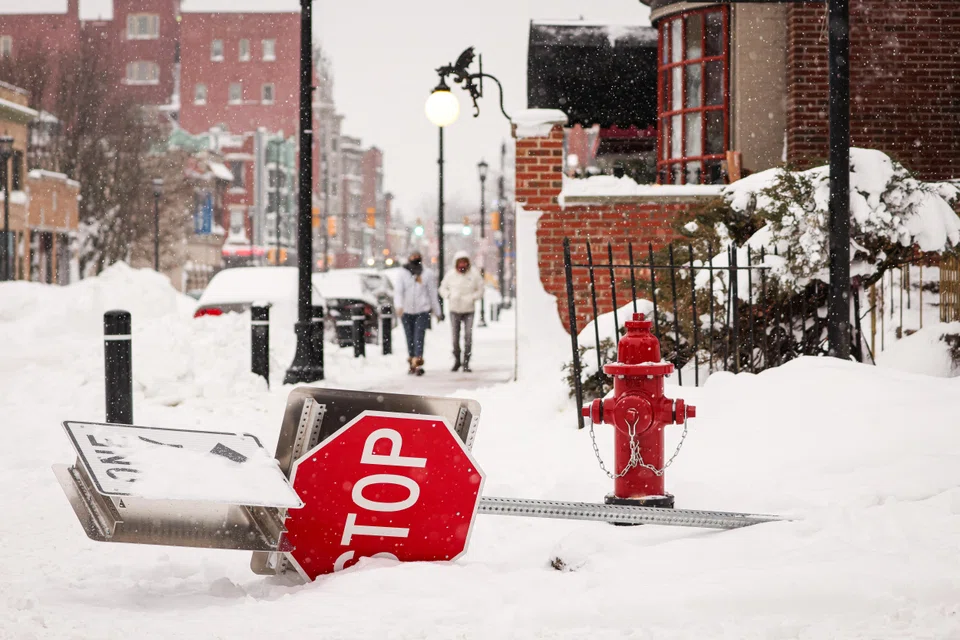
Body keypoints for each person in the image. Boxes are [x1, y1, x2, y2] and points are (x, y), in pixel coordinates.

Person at [394, 251, 441, 376]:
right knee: (409, 337)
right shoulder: (402, 273)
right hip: (406, 311)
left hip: (422, 310)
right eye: (413, 256)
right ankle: (411, 360)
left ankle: (418, 361)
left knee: (419, 336)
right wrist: (399, 306)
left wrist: (437, 311)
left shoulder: (427, 274)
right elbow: (398, 291)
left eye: (417, 257)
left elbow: (432, 294)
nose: (415, 259)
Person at [439, 251, 485, 372]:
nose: (462, 265)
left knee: (468, 337)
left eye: (464, 262)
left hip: (469, 309)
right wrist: (449, 295)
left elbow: (481, 289)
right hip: (454, 309)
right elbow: (442, 288)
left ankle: (466, 362)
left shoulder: (474, 275)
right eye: (460, 262)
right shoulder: (451, 275)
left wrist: (472, 297)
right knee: (455, 337)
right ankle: (457, 359)